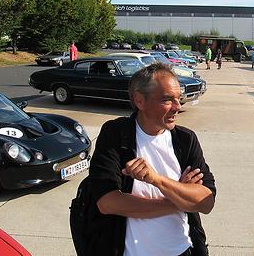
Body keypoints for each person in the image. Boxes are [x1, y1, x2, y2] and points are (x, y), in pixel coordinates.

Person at [89, 62, 216, 256]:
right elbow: (107, 203)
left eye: (178, 98)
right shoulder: (115, 135)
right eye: (167, 100)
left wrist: (156, 180)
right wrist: (180, 199)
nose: (178, 107)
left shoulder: (185, 140)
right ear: (139, 100)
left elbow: (205, 202)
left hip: (183, 251)